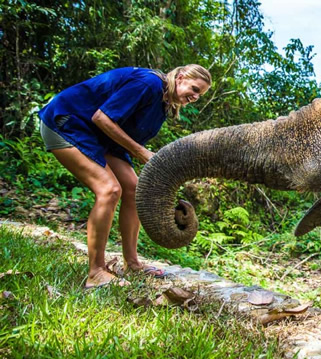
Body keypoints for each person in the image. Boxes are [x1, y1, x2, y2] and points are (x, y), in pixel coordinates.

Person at [38, 64, 212, 289]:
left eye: (201, 94)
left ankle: (132, 263)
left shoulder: (163, 103)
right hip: (66, 123)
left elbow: (124, 134)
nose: (196, 96)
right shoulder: (148, 84)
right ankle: (96, 272)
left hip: (99, 138)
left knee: (134, 189)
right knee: (109, 189)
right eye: (195, 88)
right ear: (180, 77)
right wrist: (141, 152)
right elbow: (101, 118)